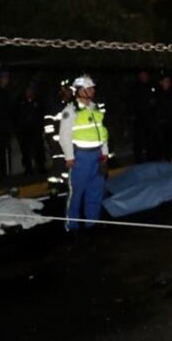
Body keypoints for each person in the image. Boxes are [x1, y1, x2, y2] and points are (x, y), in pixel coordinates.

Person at [58, 75, 109, 231]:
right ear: (80, 91)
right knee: (76, 192)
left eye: (93, 88)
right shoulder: (70, 110)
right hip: (81, 157)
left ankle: (92, 223)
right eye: (89, 88)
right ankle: (71, 225)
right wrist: (69, 157)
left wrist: (104, 152)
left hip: (97, 155)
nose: (93, 91)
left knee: (95, 190)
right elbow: (64, 136)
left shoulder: (94, 107)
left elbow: (102, 131)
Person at [15, 83, 46, 176]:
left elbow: (43, 113)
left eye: (30, 90)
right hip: (24, 130)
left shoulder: (38, 101)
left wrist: (41, 125)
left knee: (39, 148)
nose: (29, 92)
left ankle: (41, 166)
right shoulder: (20, 102)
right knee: (25, 150)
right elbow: (16, 115)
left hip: (36, 129)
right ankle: (28, 168)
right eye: (27, 90)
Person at [131, 69, 157, 161]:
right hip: (139, 117)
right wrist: (133, 114)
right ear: (139, 76)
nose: (144, 76)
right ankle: (138, 158)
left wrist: (153, 102)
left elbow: (155, 97)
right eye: (142, 75)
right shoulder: (135, 88)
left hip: (151, 116)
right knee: (139, 139)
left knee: (151, 138)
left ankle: (152, 157)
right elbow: (131, 102)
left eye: (145, 74)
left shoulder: (151, 85)